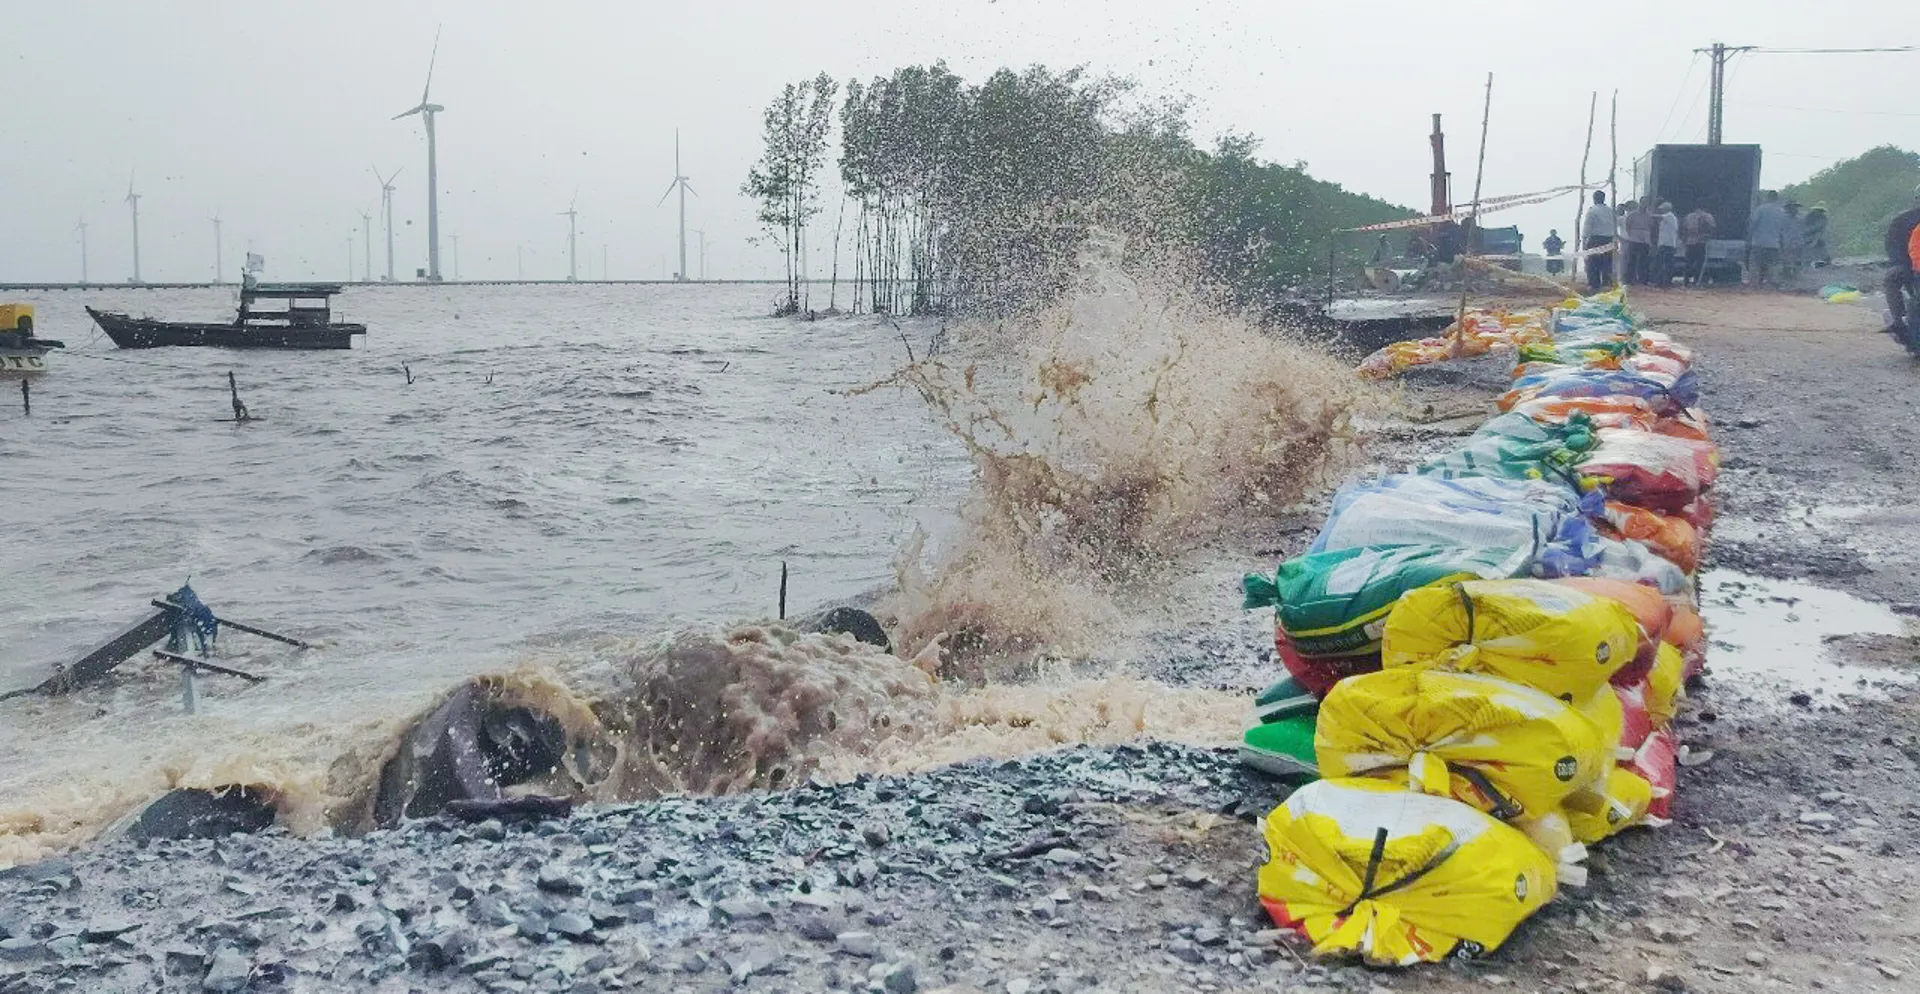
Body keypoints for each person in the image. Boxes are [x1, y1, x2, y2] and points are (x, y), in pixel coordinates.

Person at [1882, 189, 1920, 337]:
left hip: (1908, 265)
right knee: (1892, 278)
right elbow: (1892, 246)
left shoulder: (1901, 219)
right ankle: (1900, 320)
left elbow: (1891, 246)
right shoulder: (1901, 220)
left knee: (1891, 278)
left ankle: (1899, 321)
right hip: (1909, 265)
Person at [1748, 191, 1789, 288]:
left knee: (1756, 264)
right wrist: (1782, 244)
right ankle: (1771, 286)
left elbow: (1753, 223)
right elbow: (1783, 230)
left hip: (1758, 242)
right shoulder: (1781, 211)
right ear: (1776, 198)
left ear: (1767, 197)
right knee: (1773, 265)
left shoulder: (1760, 209)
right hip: (1774, 244)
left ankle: (1754, 285)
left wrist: (1749, 238)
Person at [1582, 191, 1616, 291]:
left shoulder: (1592, 211)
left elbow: (1587, 227)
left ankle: (1594, 285)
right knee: (1606, 263)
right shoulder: (1610, 211)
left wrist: (1584, 240)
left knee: (1593, 263)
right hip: (1608, 239)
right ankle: (1606, 284)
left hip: (1595, 239)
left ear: (1594, 199)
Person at [1681, 206, 1717, 287]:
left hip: (1689, 242)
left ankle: (1686, 282)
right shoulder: (1707, 216)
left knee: (1688, 263)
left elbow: (1683, 228)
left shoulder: (1688, 216)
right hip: (1700, 242)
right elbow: (1713, 228)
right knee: (1699, 263)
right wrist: (1708, 236)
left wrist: (1684, 239)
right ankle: (1697, 281)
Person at [1622, 200, 1655, 285]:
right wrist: (1632, 235)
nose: (1644, 205)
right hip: (1634, 239)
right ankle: (1629, 280)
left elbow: (1652, 228)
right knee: (1631, 260)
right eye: (1643, 203)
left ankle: (1643, 280)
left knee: (1644, 261)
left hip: (1645, 241)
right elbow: (1627, 226)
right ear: (1640, 203)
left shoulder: (1650, 216)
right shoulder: (1632, 215)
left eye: (1646, 203)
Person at [1653, 202, 1680, 287]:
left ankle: (1663, 282)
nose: (1660, 211)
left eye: (1662, 209)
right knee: (1666, 264)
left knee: (1662, 263)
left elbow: (1657, 216)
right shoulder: (1668, 217)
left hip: (1667, 244)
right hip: (1666, 244)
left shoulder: (1669, 216)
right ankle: (1663, 282)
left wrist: (1647, 214)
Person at [1803, 203, 1831, 268]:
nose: (1820, 212)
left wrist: (1815, 240)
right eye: (1818, 210)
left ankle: (1824, 261)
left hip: (1817, 236)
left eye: (1821, 211)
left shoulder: (1823, 218)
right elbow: (1803, 227)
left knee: (1820, 246)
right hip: (1806, 236)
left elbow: (1820, 231)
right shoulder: (1808, 216)